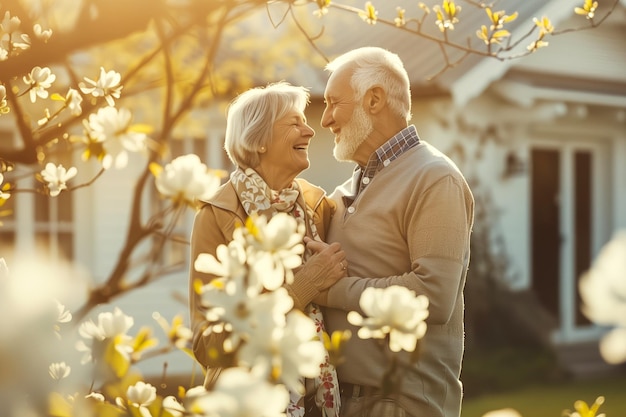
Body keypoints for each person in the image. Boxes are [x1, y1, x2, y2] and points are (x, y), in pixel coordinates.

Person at [307, 47, 475, 417]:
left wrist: (332, 289)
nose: (325, 120)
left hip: (401, 404)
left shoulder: (435, 179)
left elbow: (432, 296)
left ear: (374, 99)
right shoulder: (343, 193)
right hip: (344, 401)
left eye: (334, 102)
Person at [188, 81, 347, 417]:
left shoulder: (318, 206)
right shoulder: (216, 216)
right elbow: (207, 346)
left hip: (318, 402)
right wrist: (299, 289)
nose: (309, 131)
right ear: (258, 140)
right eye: (294, 122)